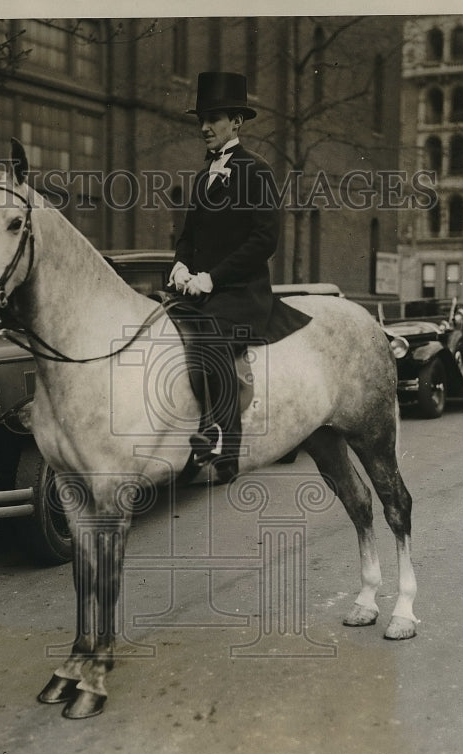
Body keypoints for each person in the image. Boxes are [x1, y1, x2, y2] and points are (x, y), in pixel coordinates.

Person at [169, 71, 280, 479]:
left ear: (236, 122)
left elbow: (264, 241)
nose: (203, 127)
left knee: (213, 337)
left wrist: (212, 278)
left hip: (242, 293)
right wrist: (180, 265)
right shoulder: (202, 177)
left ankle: (221, 437)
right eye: (201, 118)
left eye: (213, 118)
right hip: (201, 290)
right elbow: (189, 236)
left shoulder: (258, 171)